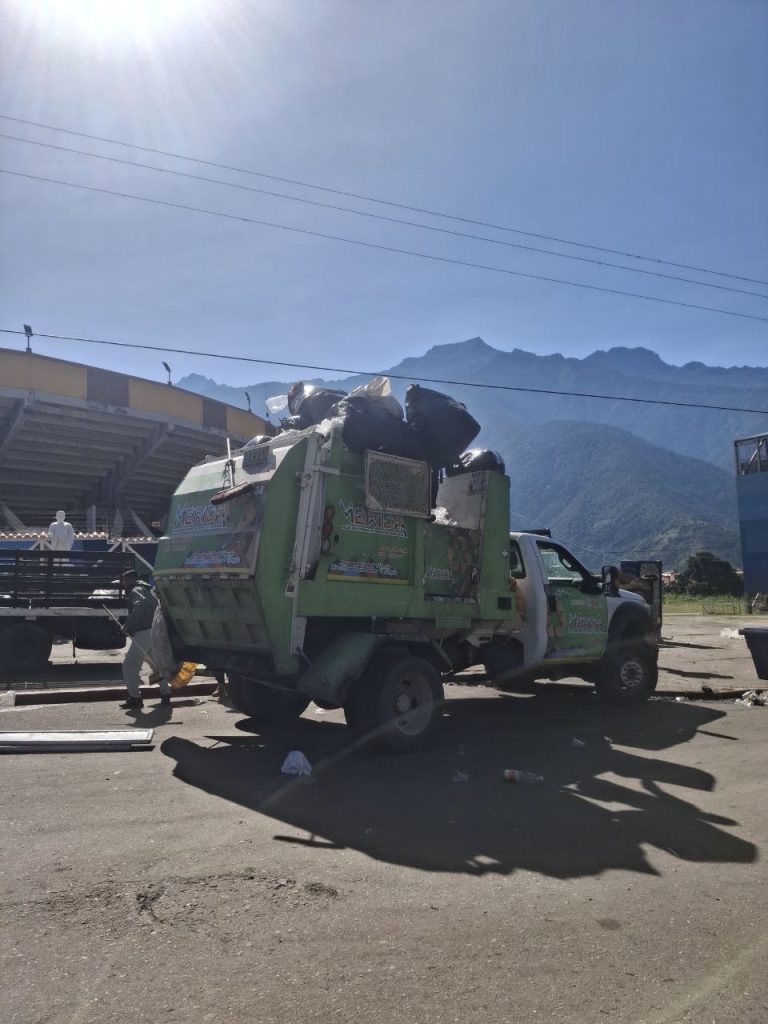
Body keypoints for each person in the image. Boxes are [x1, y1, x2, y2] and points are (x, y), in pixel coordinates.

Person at [119, 570, 171, 710]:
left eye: (124, 580)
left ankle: (135, 698)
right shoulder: (149, 589)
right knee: (156, 666)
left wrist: (128, 625)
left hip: (143, 632)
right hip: (154, 631)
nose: (123, 584)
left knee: (129, 665)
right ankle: (166, 694)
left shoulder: (135, 590)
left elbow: (139, 605)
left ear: (130, 579)